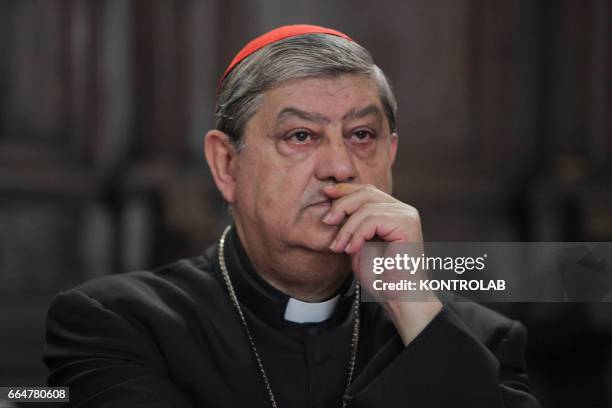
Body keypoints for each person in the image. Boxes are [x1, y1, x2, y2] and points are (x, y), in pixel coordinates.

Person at [43, 25, 541, 407]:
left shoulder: (480, 341)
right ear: (227, 164)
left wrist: (410, 301)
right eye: (301, 136)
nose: (341, 165)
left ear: (390, 155)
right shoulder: (118, 324)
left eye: (361, 135)